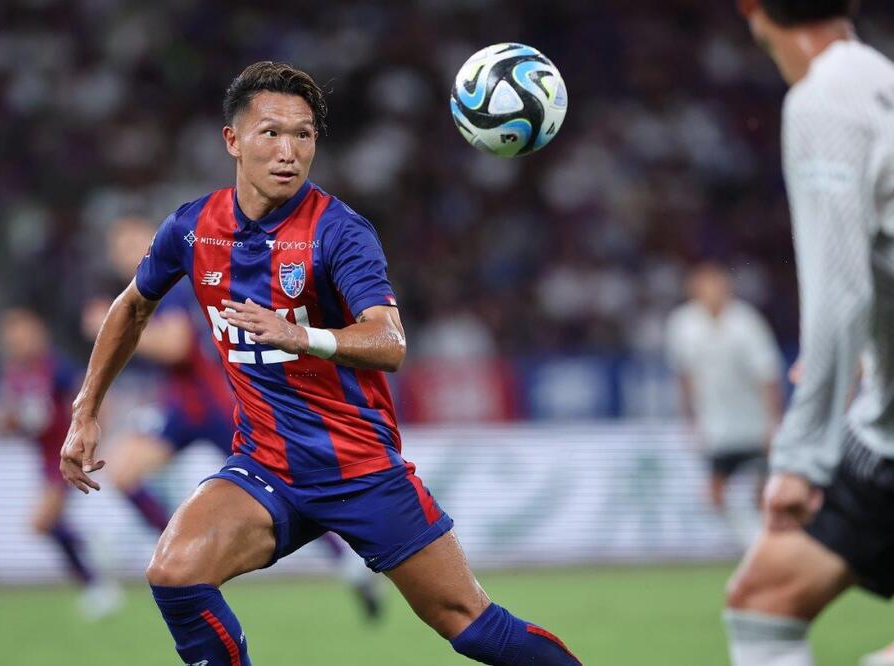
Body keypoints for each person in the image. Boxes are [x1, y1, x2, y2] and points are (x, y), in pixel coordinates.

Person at [60, 61, 580, 665]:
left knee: (472, 627)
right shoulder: (192, 228)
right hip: (266, 466)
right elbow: (131, 307)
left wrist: (302, 336)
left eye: (303, 135)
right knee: (175, 572)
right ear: (233, 140)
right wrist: (86, 410)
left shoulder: (340, 232)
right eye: (271, 133)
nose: (289, 151)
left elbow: (390, 341)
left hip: (360, 470)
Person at [84, 216, 384, 620]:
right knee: (123, 472)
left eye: (135, 242)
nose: (129, 254)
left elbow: (176, 345)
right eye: (120, 249)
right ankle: (180, 558)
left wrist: (118, 331)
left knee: (289, 484)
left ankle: (347, 562)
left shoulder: (170, 284)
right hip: (181, 408)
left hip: (216, 404)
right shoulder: (148, 289)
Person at [724, 2, 894, 665]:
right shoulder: (881, 80)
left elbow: (840, 292)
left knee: (764, 602)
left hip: (881, 431)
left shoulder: (824, 102)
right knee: (764, 599)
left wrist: (800, 460)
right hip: (883, 426)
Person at [0, 307, 122, 619]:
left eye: (22, 335)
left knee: (41, 522)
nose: (17, 342)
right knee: (47, 524)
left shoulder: (56, 368)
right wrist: (16, 421)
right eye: (12, 338)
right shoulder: (14, 375)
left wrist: (92, 438)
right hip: (43, 458)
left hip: (65, 453)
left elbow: (90, 396)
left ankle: (94, 576)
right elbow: (14, 420)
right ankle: (93, 561)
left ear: (36, 334)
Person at [666, 261, 783, 545]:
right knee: (714, 494)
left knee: (764, 492)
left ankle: (767, 543)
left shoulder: (747, 323)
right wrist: (689, 418)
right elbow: (685, 376)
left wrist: (774, 423)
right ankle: (750, 540)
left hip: (753, 423)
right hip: (716, 426)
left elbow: (768, 376)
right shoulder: (682, 324)